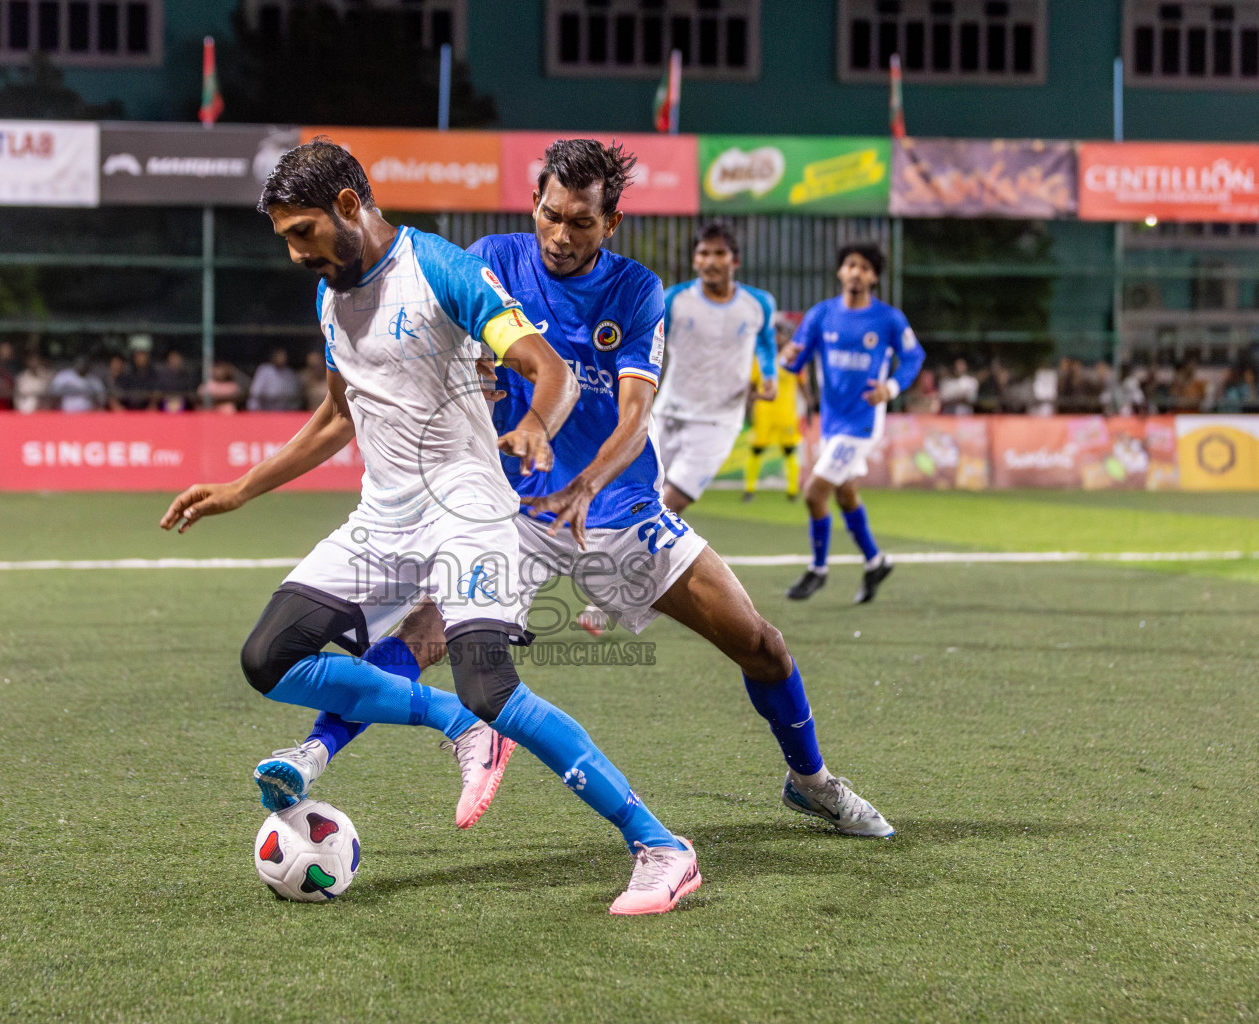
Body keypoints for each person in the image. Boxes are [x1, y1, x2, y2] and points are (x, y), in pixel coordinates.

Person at [261, 138, 892, 866]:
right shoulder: (493, 258)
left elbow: (635, 418)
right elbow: (439, 343)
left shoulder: (636, 290)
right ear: (535, 204)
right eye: (551, 216)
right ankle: (311, 753)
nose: (561, 237)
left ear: (610, 223)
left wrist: (584, 485)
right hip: (512, 513)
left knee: (760, 645)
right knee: (420, 636)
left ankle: (810, 779)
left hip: (616, 506)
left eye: (581, 223)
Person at [159, 139, 702, 915]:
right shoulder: (328, 293)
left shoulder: (441, 268)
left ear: (349, 206)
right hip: (382, 517)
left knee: (491, 684)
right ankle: (456, 724)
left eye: (301, 231)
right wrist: (241, 490)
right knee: (267, 659)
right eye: (284, 235)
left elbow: (546, 369)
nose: (292, 252)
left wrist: (537, 427)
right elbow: (339, 417)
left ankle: (659, 846)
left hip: (469, 508)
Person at [782, 242, 924, 605]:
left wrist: (891, 387)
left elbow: (913, 357)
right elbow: (795, 362)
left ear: (874, 276)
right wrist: (783, 358)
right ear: (840, 272)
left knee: (815, 492)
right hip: (832, 423)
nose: (856, 272)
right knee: (845, 494)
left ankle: (818, 570)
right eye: (850, 265)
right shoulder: (820, 315)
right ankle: (876, 561)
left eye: (864, 267)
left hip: (862, 423)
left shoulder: (889, 319)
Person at [650, 221, 777, 515]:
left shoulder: (758, 304)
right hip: (668, 413)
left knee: (673, 501)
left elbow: (766, 343)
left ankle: (636, 558)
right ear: (695, 259)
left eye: (720, 253)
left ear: (735, 261)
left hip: (719, 421)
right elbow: (648, 348)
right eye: (704, 253)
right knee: (637, 494)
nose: (710, 261)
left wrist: (769, 378)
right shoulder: (674, 300)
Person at [744, 315, 804, 503]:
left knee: (789, 451)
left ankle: (793, 491)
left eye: (782, 334)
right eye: (776, 333)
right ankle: (749, 489)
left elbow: (803, 383)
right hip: (764, 413)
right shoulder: (761, 357)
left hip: (786, 413)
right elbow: (751, 385)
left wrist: (810, 404)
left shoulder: (794, 358)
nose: (779, 337)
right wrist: (748, 407)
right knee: (756, 450)